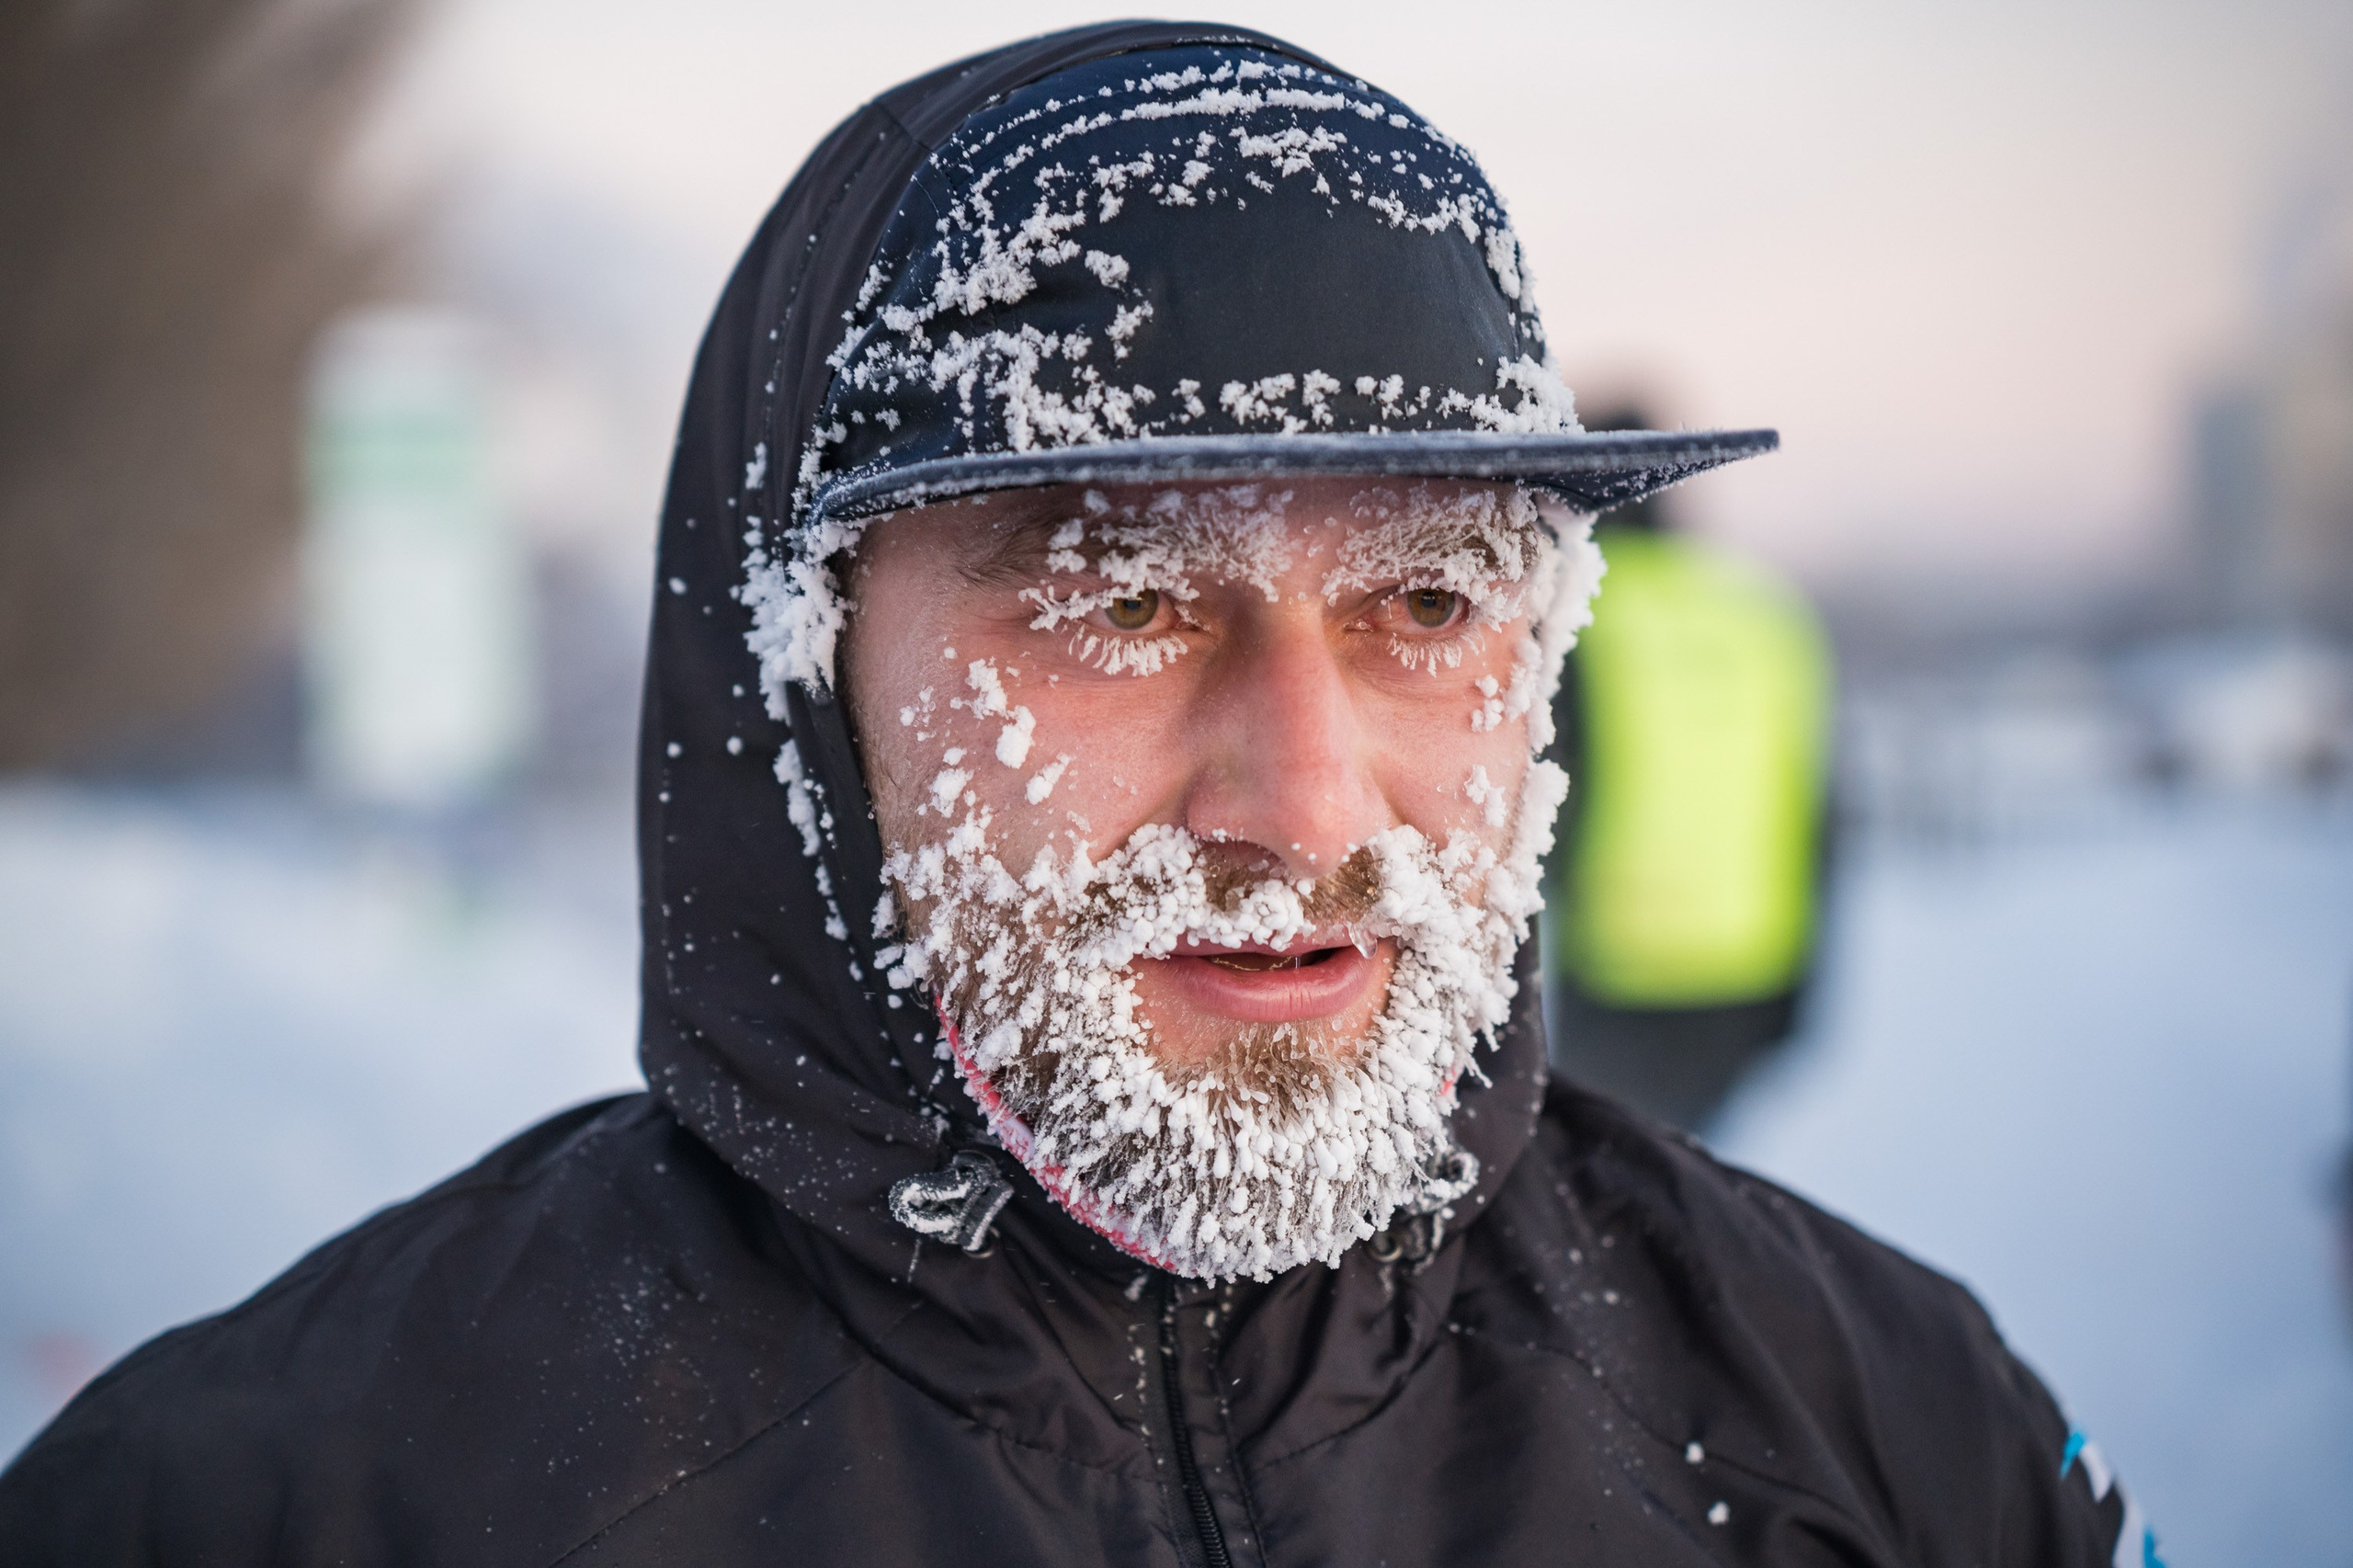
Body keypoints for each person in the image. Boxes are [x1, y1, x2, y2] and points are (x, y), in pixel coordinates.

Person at [1, 22, 2158, 1566]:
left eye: (1424, 601)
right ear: (801, 676)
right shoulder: (296, 1493)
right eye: (1121, 605)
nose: (1304, 798)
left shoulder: (1873, 1425)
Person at [1546, 403, 1836, 1131]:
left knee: (1611, 1203)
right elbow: (1821, 811)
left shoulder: (1580, 610)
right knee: (1685, 1192)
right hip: (1750, 971)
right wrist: (1804, 993)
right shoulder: (1766, 611)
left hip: (1620, 969)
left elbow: (1553, 799)